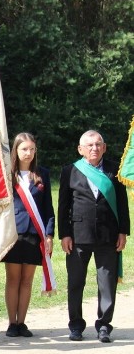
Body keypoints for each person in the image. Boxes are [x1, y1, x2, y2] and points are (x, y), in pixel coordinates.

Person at [58, 130, 129, 342]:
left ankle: (104, 325)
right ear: (80, 149)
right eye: (89, 145)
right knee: (76, 282)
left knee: (107, 282)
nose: (94, 148)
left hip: (108, 235)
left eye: (98, 144)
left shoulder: (114, 170)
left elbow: (122, 203)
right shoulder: (69, 171)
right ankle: (76, 325)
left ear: (104, 147)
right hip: (78, 236)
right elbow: (63, 206)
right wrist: (64, 235)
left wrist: (123, 231)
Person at [2, 133, 55, 337]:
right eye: (24, 149)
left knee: (27, 280)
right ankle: (11, 323)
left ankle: (22, 322)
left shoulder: (42, 174)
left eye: (32, 149)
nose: (29, 153)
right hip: (14, 234)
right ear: (16, 150)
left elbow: (48, 207)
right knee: (13, 279)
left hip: (35, 234)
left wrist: (49, 234)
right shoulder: (7, 174)